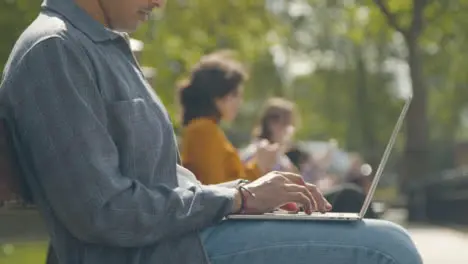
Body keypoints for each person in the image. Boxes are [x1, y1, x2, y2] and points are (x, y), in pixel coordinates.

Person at [0, 1, 422, 264]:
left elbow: (166, 181)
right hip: (152, 252)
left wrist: (249, 195)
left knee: (386, 238)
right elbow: (103, 212)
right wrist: (238, 198)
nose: (159, 3)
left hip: (181, 237)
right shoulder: (55, 51)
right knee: (387, 249)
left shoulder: (103, 46)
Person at [179, 53, 278, 184]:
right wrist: (258, 166)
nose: (239, 102)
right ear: (218, 96)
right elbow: (216, 191)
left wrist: (259, 165)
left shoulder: (208, 128)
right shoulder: (203, 130)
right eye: (236, 95)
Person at [240, 97, 298, 173]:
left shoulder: (281, 157)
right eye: (286, 123)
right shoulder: (257, 152)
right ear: (272, 123)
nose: (290, 130)